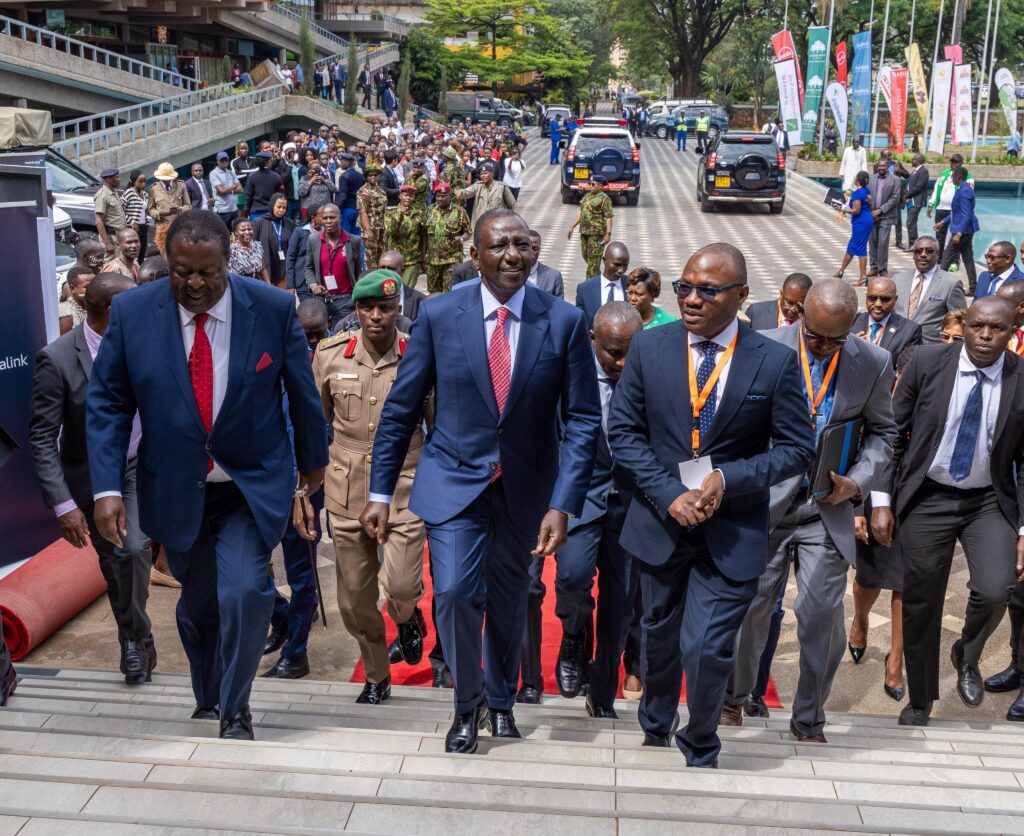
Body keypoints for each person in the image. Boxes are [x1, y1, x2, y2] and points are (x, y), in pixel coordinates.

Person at [360, 208, 602, 754]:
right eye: (499, 246)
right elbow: (401, 410)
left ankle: (501, 701)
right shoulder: (440, 315)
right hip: (452, 482)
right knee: (453, 592)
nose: (512, 255)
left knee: (512, 598)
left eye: (522, 245)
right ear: (476, 256)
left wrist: (563, 503)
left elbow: (584, 418)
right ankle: (465, 706)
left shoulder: (561, 320)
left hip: (527, 491)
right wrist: (379, 492)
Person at [86, 211, 329, 741]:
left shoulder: (269, 307)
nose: (194, 284)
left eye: (208, 273)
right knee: (198, 609)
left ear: (229, 264)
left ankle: (235, 707)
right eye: (181, 272)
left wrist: (312, 477)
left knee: (246, 590)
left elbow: (302, 396)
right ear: (167, 263)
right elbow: (107, 404)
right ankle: (209, 693)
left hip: (248, 483)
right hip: (175, 484)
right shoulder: (132, 313)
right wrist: (106, 487)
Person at [607, 243, 815, 767]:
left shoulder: (774, 361)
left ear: (742, 295)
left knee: (706, 647)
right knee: (659, 637)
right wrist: (669, 493)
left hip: (732, 532)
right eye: (684, 287)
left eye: (707, 290)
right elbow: (625, 432)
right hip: (661, 524)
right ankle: (656, 721)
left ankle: (700, 741)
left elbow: (796, 448)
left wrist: (729, 476)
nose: (691, 299)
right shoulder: (650, 348)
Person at [723, 279, 895, 742]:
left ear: (853, 327)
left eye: (833, 340)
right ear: (800, 316)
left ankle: (809, 717)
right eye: (813, 335)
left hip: (825, 509)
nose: (820, 347)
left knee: (820, 615)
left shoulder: (873, 362)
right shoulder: (761, 346)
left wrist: (856, 482)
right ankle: (733, 698)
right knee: (751, 608)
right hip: (765, 505)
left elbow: (885, 435)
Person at [872, 296, 1024, 727]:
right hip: (928, 495)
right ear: (965, 324)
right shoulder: (925, 361)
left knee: (997, 588)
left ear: (1012, 331)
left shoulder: (1020, 376)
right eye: (977, 326)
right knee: (922, 600)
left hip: (988, 499)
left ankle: (967, 653)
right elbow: (890, 433)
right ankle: (920, 699)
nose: (985, 336)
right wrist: (880, 499)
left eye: (996, 329)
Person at [306, 270, 430, 702]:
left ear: (399, 310)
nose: (376, 316)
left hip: (406, 484)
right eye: (367, 307)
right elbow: (311, 423)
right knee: (354, 600)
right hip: (346, 486)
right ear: (356, 310)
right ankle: (378, 676)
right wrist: (303, 487)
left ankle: (408, 616)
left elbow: (438, 422)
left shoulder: (419, 354)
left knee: (399, 586)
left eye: (386, 308)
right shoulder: (330, 354)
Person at [30, 271, 156, 685]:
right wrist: (64, 505)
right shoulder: (59, 358)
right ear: (111, 313)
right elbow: (43, 437)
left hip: (139, 463)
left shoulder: (145, 342)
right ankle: (135, 637)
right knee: (116, 561)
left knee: (135, 549)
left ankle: (135, 637)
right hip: (91, 474)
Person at [552, 300, 643, 716]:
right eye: (613, 352)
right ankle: (573, 635)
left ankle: (602, 693)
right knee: (571, 581)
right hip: (580, 499)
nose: (623, 362)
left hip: (631, 504)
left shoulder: (648, 375)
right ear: (592, 340)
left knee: (620, 605)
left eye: (630, 351)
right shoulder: (567, 374)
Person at [261, 298, 330, 680]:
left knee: (302, 573)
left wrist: (302, 490)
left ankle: (296, 653)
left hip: (304, 487)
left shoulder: (333, 363)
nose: (311, 346)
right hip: (264, 485)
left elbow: (326, 432)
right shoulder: (269, 358)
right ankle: (283, 617)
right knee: (252, 569)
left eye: (317, 337)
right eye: (304, 338)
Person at [892, 235, 968, 344]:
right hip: (898, 344)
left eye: (929, 251)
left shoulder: (951, 284)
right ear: (913, 255)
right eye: (918, 251)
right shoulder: (898, 279)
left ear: (937, 255)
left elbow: (960, 321)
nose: (923, 255)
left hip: (930, 348)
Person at [304, 203, 363, 331]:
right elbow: (308, 267)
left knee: (340, 335)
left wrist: (358, 298)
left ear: (340, 218)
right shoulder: (313, 240)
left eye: (332, 217)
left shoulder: (354, 241)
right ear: (320, 220)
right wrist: (313, 285)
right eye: (325, 218)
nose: (329, 221)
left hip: (346, 300)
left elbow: (358, 271)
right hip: (322, 299)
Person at [851, 275, 923, 369]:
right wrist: (850, 347)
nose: (878, 304)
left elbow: (908, 372)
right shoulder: (851, 322)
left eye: (885, 299)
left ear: (895, 300)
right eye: (872, 298)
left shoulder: (910, 330)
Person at [936, 167, 980, 296]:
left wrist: (959, 233)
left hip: (963, 230)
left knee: (947, 257)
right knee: (968, 259)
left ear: (959, 177)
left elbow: (966, 214)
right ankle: (973, 288)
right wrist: (943, 222)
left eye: (953, 176)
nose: (951, 178)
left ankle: (937, 285)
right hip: (965, 228)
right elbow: (957, 211)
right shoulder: (962, 189)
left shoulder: (965, 191)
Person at [423, 182, 471, 294]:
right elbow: (424, 233)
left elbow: (468, 232)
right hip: (433, 259)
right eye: (438, 196)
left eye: (443, 196)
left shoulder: (460, 212)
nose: (440, 199)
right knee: (434, 292)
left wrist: (461, 239)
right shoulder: (429, 211)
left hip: (452, 258)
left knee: (450, 291)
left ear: (450, 196)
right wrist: (423, 254)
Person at [928, 153, 975, 260]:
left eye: (956, 162)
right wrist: (931, 204)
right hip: (941, 208)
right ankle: (939, 257)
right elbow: (936, 189)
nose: (953, 164)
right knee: (940, 235)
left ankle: (954, 260)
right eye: (952, 162)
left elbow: (968, 193)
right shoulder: (944, 173)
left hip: (955, 211)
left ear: (961, 163)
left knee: (955, 235)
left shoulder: (967, 176)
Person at [567, 176, 614, 281]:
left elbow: (609, 217)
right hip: (584, 233)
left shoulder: (604, 199)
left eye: (593, 184)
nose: (590, 186)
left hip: (596, 235)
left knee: (593, 264)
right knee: (587, 257)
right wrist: (572, 227)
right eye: (589, 183)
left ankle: (589, 285)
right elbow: (581, 212)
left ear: (600, 186)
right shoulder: (587, 196)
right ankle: (600, 279)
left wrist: (608, 234)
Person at [575, 242, 630, 329]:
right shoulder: (585, 289)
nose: (621, 270)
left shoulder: (631, 286)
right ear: (604, 260)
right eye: (617, 264)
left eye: (625, 266)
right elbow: (580, 324)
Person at [833, 170, 873, 284]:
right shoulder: (866, 191)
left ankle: (863, 277)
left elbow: (856, 210)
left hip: (861, 223)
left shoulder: (857, 193)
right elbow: (869, 206)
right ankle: (841, 271)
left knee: (860, 248)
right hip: (866, 220)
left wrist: (841, 208)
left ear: (857, 181)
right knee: (852, 246)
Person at [455, 162, 517, 232]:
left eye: (485, 173)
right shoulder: (478, 186)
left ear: (492, 174)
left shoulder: (501, 187)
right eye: (481, 174)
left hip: (497, 224)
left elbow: (512, 204)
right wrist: (461, 191)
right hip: (481, 224)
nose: (483, 176)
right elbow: (468, 191)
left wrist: (509, 220)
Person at [383, 185, 425, 289]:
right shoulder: (390, 212)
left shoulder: (419, 213)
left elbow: (424, 236)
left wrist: (424, 257)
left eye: (411, 196)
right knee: (393, 290)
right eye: (405, 195)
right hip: (394, 260)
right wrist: (400, 215)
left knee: (407, 290)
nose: (408, 198)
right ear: (400, 196)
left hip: (413, 259)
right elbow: (390, 231)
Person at [867, 161, 901, 280]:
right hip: (871, 215)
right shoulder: (871, 179)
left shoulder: (895, 179)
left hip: (886, 215)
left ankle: (882, 269)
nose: (881, 168)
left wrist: (880, 210)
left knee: (882, 242)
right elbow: (867, 195)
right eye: (880, 166)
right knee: (873, 241)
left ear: (887, 167)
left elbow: (895, 198)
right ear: (877, 167)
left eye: (884, 166)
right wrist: (871, 210)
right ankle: (873, 268)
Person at [252, 194, 295, 289]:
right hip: (266, 267)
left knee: (282, 297)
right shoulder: (259, 222)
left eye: (284, 208)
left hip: (284, 268)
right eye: (278, 207)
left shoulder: (290, 224)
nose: (281, 210)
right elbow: (253, 245)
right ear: (272, 206)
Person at [147, 162, 189, 255]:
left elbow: (188, 206)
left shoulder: (181, 185)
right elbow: (150, 210)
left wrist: (180, 209)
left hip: (179, 225)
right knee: (164, 253)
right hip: (162, 227)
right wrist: (161, 213)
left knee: (180, 252)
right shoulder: (154, 188)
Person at [745, 273, 812, 331]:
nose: (793, 309)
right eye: (789, 303)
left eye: (799, 305)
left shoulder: (813, 322)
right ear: (781, 294)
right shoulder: (755, 313)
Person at [357, 164, 389, 270]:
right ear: (366, 177)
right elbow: (363, 211)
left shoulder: (380, 190)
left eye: (375, 175)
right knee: (371, 257)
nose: (373, 177)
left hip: (381, 227)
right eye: (370, 175)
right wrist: (368, 230)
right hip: (370, 226)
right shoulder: (363, 191)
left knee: (381, 255)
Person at [94, 167, 127, 258]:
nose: (119, 179)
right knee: (109, 265)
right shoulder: (102, 195)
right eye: (117, 177)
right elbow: (98, 220)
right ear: (108, 179)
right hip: (111, 237)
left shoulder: (113, 192)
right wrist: (107, 243)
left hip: (118, 236)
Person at [245, 151, 285, 222]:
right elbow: (281, 195)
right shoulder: (276, 177)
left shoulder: (252, 176)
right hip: (271, 213)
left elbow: (248, 196)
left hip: (255, 213)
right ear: (269, 161)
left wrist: (247, 211)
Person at [120, 170, 150, 259]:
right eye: (140, 181)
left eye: (144, 181)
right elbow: (121, 211)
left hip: (143, 226)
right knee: (134, 253)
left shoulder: (145, 194)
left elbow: (145, 211)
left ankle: (139, 271)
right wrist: (132, 222)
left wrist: (147, 223)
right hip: (133, 228)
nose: (143, 184)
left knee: (142, 252)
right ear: (133, 181)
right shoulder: (129, 193)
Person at [228, 218, 270, 283]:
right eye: (243, 230)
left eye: (249, 229)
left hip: (257, 284)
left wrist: (269, 286)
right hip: (241, 285)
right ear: (236, 233)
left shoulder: (257, 246)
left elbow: (263, 269)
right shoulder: (232, 250)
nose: (247, 232)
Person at [526, 230, 564, 298]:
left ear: (539, 250)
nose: (530, 253)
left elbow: (559, 306)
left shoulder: (553, 277)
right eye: (526, 248)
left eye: (534, 248)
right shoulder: (507, 274)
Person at [335, 153, 366, 236]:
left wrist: (336, 208)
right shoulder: (360, 176)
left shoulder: (344, 176)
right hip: (358, 209)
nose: (340, 163)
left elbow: (343, 196)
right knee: (357, 236)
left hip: (346, 209)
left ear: (348, 163)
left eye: (342, 161)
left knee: (346, 236)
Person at [903, 154, 929, 252]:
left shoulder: (923, 171)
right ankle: (914, 244)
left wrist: (907, 195)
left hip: (916, 201)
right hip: (911, 200)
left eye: (913, 159)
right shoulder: (915, 171)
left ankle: (913, 244)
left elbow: (918, 187)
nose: (911, 161)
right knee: (911, 222)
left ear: (918, 160)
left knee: (910, 222)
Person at [210, 152, 242, 229]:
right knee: (222, 234)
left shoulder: (231, 173)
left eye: (226, 160)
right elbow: (221, 191)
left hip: (233, 209)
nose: (224, 162)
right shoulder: (214, 173)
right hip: (222, 211)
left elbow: (240, 189)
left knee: (235, 233)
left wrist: (229, 190)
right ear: (217, 162)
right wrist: (234, 186)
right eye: (222, 160)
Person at [59, 266, 92, 335]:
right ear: (73, 288)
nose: (93, 289)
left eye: (94, 285)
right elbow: (63, 344)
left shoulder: (92, 305)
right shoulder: (67, 315)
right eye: (86, 287)